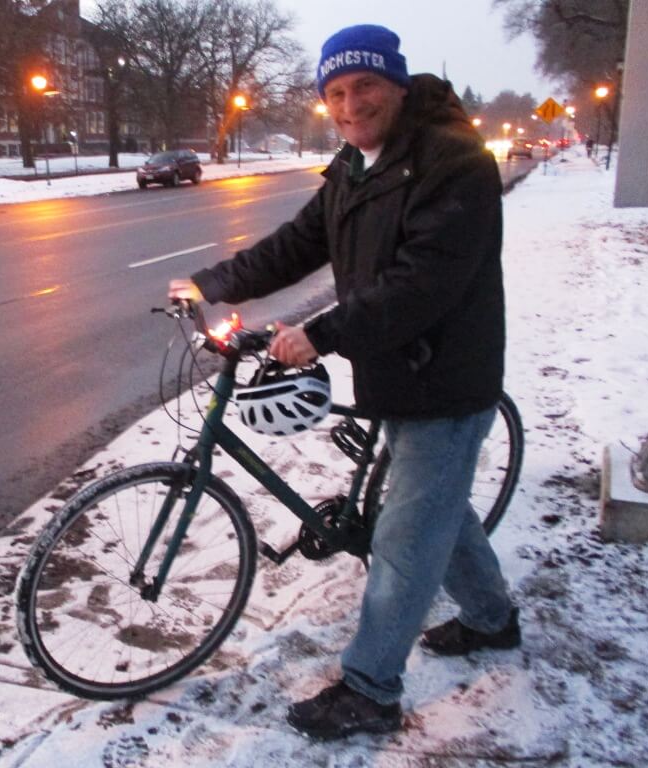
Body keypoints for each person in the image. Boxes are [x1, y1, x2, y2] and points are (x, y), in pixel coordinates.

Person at [168, 24, 520, 739]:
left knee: (403, 537)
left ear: (396, 85)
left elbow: (421, 283)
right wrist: (210, 283)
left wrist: (321, 332)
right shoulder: (354, 167)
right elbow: (298, 244)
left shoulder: (452, 160)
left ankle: (369, 689)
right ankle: (491, 620)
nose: (350, 102)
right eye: (335, 92)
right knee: (438, 513)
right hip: (396, 369)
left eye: (364, 86)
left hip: (445, 379)